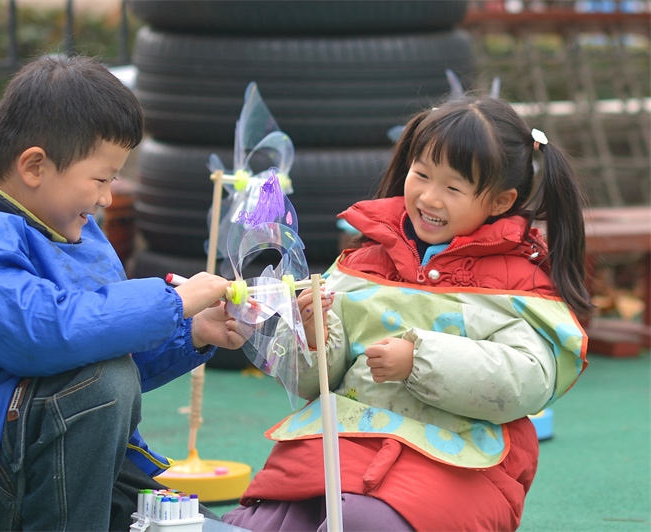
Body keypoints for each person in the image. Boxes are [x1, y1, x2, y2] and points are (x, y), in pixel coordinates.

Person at [0, 54, 246, 530]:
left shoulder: (77, 231)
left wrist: (193, 332)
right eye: (101, 179)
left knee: (197, 522)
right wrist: (174, 302)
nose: (107, 198)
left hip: (47, 466)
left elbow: (101, 345)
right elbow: (47, 336)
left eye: (113, 179)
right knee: (105, 385)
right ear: (34, 166)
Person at [222, 95, 591, 531]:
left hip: (457, 458)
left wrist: (420, 360)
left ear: (499, 201)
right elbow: (311, 381)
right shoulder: (365, 259)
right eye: (422, 175)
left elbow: (528, 378)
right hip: (344, 442)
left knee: (361, 523)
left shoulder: (520, 281)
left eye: (453, 188)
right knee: (265, 521)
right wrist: (315, 334)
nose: (430, 198)